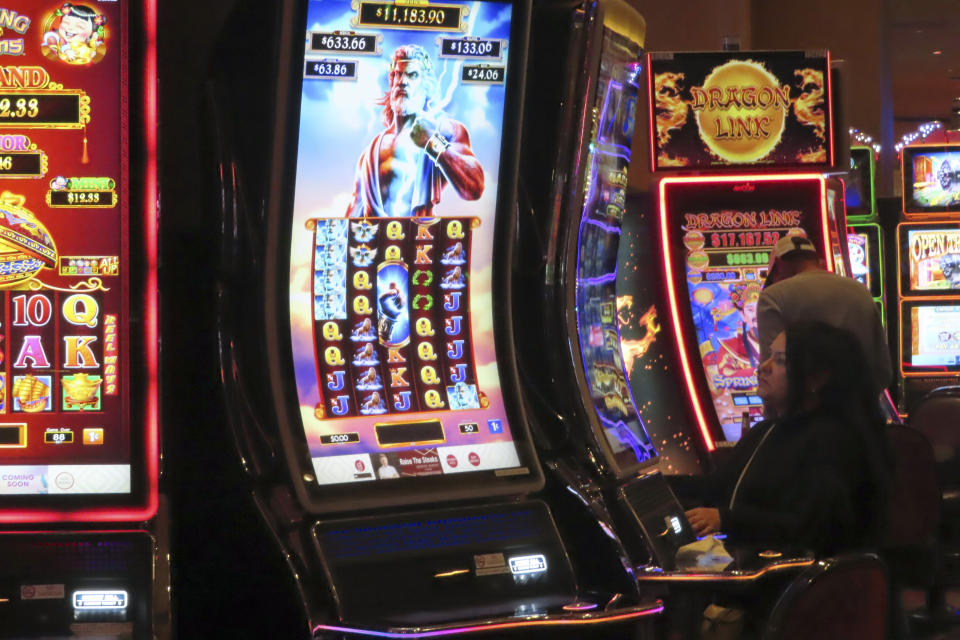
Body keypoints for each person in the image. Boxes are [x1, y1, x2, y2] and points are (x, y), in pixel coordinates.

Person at [672, 322, 890, 556]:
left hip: (798, 581)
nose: (763, 368)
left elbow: (816, 529)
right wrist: (652, 485)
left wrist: (727, 519)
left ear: (816, 379)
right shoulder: (769, 429)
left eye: (780, 361)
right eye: (769, 357)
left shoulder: (833, 440)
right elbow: (718, 486)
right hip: (754, 566)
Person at [345, 45, 484, 218]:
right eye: (398, 74)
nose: (402, 81)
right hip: (376, 244)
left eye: (412, 75)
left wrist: (433, 142)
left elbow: (474, 187)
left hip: (419, 242)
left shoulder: (443, 130)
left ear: (427, 86)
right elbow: (354, 209)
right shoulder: (371, 151)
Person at [758, 235, 891, 396]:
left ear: (778, 265)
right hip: (861, 414)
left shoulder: (773, 297)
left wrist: (772, 420)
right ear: (817, 260)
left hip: (803, 417)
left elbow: (772, 380)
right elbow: (884, 372)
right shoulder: (860, 290)